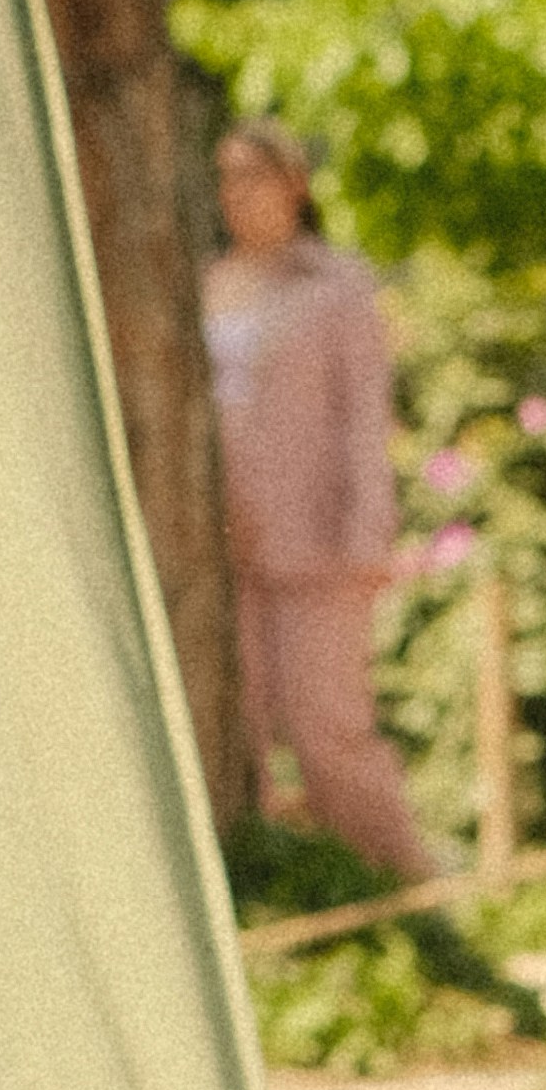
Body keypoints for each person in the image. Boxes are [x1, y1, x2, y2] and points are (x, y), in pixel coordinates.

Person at [204, 122, 429, 882]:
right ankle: (276, 888)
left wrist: (370, 534)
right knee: (237, 727)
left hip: (317, 539)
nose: (239, 195)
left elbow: (366, 416)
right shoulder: (202, 281)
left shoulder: (336, 288)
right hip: (219, 540)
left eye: (254, 177)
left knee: (326, 725)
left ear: (294, 184)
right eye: (226, 179)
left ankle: (401, 888)